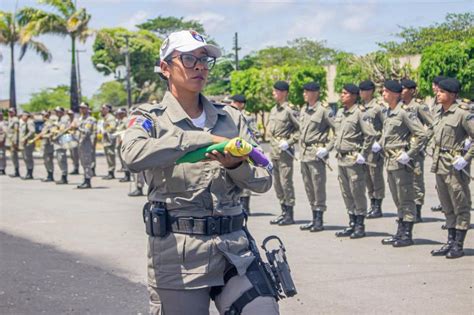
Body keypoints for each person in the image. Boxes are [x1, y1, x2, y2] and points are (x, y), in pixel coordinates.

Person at [121, 30, 278, 315]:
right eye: (190, 59)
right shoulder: (149, 118)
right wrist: (203, 140)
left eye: (205, 60)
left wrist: (236, 166)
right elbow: (132, 155)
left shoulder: (232, 118)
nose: (200, 67)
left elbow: (264, 178)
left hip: (234, 251)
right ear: (165, 68)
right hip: (179, 255)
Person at [380, 80, 427, 247]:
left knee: (406, 198)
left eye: (385, 91)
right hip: (390, 161)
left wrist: (409, 154)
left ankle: (407, 234)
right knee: (397, 198)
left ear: (394, 94)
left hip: (401, 162)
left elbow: (421, 134)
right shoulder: (388, 112)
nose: (383, 93)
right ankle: (400, 231)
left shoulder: (404, 112)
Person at [430, 78, 473, 259]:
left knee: (460, 204)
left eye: (442, 92)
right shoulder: (439, 112)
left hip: (455, 167)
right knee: (447, 205)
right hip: (440, 165)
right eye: (438, 91)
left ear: (452, 94)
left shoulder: (462, 113)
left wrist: (466, 158)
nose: (438, 94)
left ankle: (458, 244)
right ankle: (450, 240)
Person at [333, 84, 376, 239]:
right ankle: (351, 222)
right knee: (346, 192)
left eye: (345, 93)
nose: (341, 95)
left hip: (353, 159)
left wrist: (363, 154)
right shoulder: (340, 112)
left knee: (357, 192)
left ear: (353, 96)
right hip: (341, 158)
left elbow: (370, 135)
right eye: (341, 92)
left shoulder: (360, 113)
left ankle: (360, 225)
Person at [298, 82, 335, 232]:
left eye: (307, 92)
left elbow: (337, 131)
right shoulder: (304, 110)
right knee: (309, 187)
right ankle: (313, 218)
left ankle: (319, 219)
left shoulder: (324, 110)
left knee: (318, 187)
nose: (304, 94)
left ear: (315, 93)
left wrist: (326, 149)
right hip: (304, 154)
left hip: (316, 155)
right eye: (305, 91)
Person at [400, 79, 434, 222]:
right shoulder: (399, 107)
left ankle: (418, 210)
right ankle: (406, 212)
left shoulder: (419, 106)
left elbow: (432, 124)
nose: (401, 91)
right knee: (402, 181)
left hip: (415, 149)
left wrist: (423, 141)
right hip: (402, 150)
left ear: (412, 91)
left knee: (416, 180)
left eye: (404, 88)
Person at [267, 80, 300, 226]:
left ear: (284, 93)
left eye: (276, 91)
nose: (273, 93)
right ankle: (283, 211)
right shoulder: (274, 110)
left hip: (285, 151)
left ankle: (289, 214)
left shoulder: (289, 110)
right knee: (277, 183)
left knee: (286, 182)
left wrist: (290, 142)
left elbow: (301, 129)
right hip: (274, 150)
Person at [359, 80, 386, 219]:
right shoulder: (361, 107)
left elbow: (388, 126)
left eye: (362, 90)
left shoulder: (378, 107)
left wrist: (380, 143)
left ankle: (378, 205)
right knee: (366, 177)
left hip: (375, 148)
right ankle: (372, 201)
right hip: (364, 147)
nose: (360, 93)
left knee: (376, 176)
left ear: (369, 91)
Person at [229, 93, 257, 216]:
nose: (231, 104)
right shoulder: (229, 116)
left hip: (245, 151)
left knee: (245, 178)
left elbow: (255, 133)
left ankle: (246, 206)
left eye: (234, 102)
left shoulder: (248, 117)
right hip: (233, 150)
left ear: (241, 104)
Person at [76, 102, 96, 189]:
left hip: (86, 143)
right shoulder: (80, 119)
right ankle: (85, 179)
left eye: (84, 108)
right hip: (80, 143)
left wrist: (78, 127)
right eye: (81, 108)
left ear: (87, 108)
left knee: (87, 163)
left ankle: (88, 181)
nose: (82, 109)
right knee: (83, 163)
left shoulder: (90, 119)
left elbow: (87, 131)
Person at [52, 106, 72, 184]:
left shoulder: (64, 119)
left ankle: (64, 177)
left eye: (58, 111)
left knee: (61, 158)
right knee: (59, 159)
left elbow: (62, 131)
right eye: (56, 111)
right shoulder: (59, 119)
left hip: (62, 141)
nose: (57, 113)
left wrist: (55, 136)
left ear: (62, 112)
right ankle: (63, 175)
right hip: (58, 141)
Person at [99, 104, 117, 180]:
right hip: (106, 140)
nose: (101, 110)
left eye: (103, 108)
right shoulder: (104, 118)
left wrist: (105, 131)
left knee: (110, 156)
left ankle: (111, 172)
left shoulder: (110, 118)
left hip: (110, 140)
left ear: (108, 109)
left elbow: (113, 127)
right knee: (108, 156)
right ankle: (110, 171)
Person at [115, 107, 131, 182]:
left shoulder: (126, 120)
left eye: (120, 113)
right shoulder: (120, 121)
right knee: (122, 159)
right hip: (119, 142)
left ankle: (127, 175)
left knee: (125, 159)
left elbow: (128, 130)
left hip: (123, 142)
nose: (118, 115)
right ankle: (126, 174)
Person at [19, 111, 36, 180]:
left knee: (28, 158)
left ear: (27, 116)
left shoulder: (30, 122)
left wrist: (25, 138)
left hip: (28, 143)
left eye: (23, 115)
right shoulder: (26, 122)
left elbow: (32, 131)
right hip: (25, 143)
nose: (22, 117)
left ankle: (30, 174)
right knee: (25, 157)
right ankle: (28, 172)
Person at [40, 110, 56, 182]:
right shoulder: (45, 123)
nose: (43, 116)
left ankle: (50, 175)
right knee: (45, 161)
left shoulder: (50, 123)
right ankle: (48, 174)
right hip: (44, 144)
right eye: (42, 115)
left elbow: (52, 133)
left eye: (45, 115)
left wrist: (43, 136)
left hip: (49, 144)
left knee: (48, 160)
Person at [6, 108, 21, 177]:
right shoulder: (10, 119)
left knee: (14, 156)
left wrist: (15, 141)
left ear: (14, 112)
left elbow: (16, 131)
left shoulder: (15, 120)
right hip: (10, 140)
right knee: (12, 156)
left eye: (11, 112)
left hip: (13, 141)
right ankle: (15, 170)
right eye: (9, 112)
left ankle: (17, 171)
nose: (10, 113)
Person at [67, 109, 80, 175]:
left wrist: (73, 127)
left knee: (75, 155)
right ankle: (74, 167)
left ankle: (76, 168)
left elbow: (78, 126)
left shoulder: (76, 120)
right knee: (72, 155)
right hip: (69, 139)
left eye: (71, 114)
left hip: (75, 139)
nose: (69, 115)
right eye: (68, 114)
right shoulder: (68, 121)